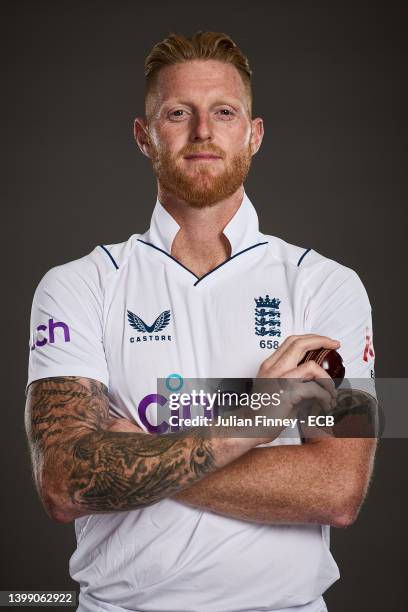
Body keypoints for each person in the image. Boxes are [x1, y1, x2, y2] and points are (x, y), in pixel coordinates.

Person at [25, 32, 377, 612]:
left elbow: (338, 490)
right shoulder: (77, 283)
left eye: (224, 112)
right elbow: (64, 483)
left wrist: (136, 452)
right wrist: (258, 416)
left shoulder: (330, 285)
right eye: (178, 113)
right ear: (145, 136)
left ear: (253, 134)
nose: (203, 132)